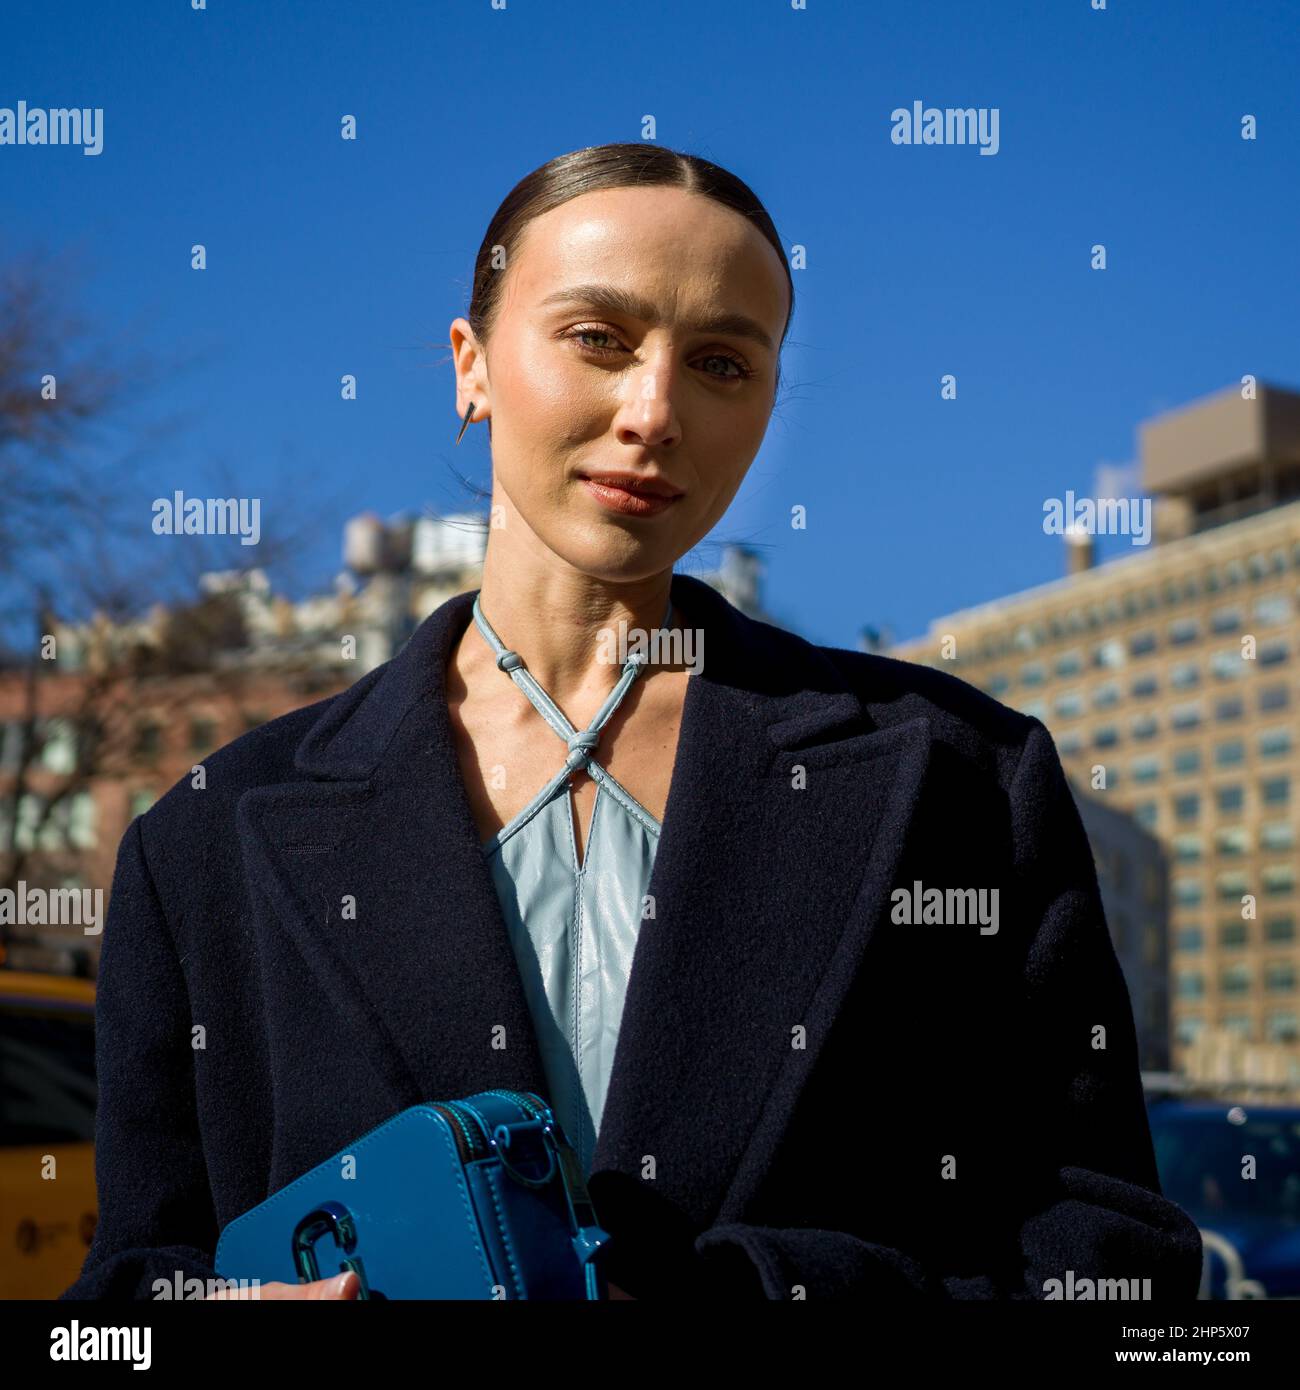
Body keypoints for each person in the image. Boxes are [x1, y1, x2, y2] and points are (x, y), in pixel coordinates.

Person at [61, 142, 1202, 1301]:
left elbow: (1109, 1257)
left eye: (720, 362)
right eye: (597, 339)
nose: (654, 412)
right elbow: (132, 1286)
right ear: (472, 365)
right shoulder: (208, 836)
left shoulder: (963, 781)